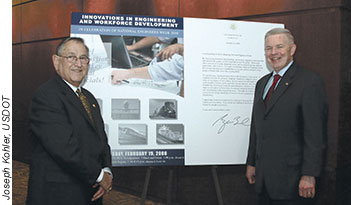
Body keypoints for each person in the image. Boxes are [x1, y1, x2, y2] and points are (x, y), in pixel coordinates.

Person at [245, 28, 328, 205]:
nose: (273, 53)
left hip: (294, 181)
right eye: (268, 48)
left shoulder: (309, 82)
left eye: (279, 47)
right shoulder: (262, 84)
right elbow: (257, 128)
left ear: (292, 49)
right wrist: (251, 162)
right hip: (264, 179)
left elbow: (315, 135)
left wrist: (309, 175)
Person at [26, 37, 113, 205]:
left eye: (83, 58)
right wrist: (100, 176)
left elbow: (101, 140)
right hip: (57, 195)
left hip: (89, 191)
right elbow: (64, 148)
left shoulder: (88, 97)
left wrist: (106, 169)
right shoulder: (46, 96)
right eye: (71, 57)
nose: (78, 64)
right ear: (56, 61)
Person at [111, 37, 184, 84]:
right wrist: (131, 47)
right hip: (163, 67)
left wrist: (128, 73)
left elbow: (176, 66)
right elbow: (159, 37)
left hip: (174, 74)